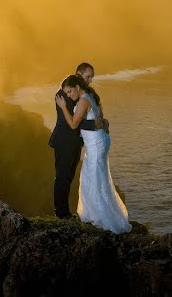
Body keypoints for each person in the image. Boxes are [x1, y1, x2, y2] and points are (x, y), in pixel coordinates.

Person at [55, 74, 131, 234]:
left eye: (70, 92)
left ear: (77, 86)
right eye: (66, 93)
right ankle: (80, 214)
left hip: (93, 144)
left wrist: (64, 107)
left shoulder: (83, 99)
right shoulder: (81, 96)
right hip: (85, 142)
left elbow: (76, 122)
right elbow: (85, 120)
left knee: (93, 177)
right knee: (89, 177)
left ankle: (100, 216)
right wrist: (99, 122)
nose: (68, 95)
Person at [48, 63, 107, 218]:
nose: (90, 80)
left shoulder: (82, 93)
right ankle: (61, 213)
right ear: (78, 75)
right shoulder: (63, 94)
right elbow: (70, 122)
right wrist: (93, 124)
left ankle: (65, 212)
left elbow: (82, 114)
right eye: (88, 77)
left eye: (91, 77)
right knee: (62, 177)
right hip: (64, 141)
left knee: (69, 177)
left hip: (75, 142)